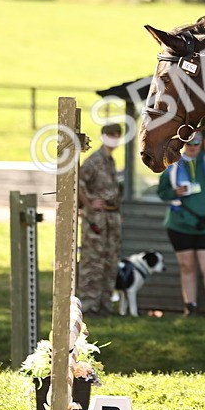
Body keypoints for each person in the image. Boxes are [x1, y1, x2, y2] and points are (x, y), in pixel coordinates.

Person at [158, 131, 205, 317]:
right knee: (187, 267)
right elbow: (162, 192)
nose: (192, 146)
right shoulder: (173, 164)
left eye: (196, 141)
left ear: (202, 143)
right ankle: (190, 307)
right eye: (188, 142)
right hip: (179, 224)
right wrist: (175, 193)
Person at [77, 123, 124, 316]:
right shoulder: (94, 160)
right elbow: (78, 182)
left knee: (109, 261)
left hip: (111, 216)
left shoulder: (110, 161)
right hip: (96, 219)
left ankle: (104, 304)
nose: (114, 138)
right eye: (110, 134)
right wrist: (88, 203)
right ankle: (89, 306)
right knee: (92, 262)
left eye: (117, 135)